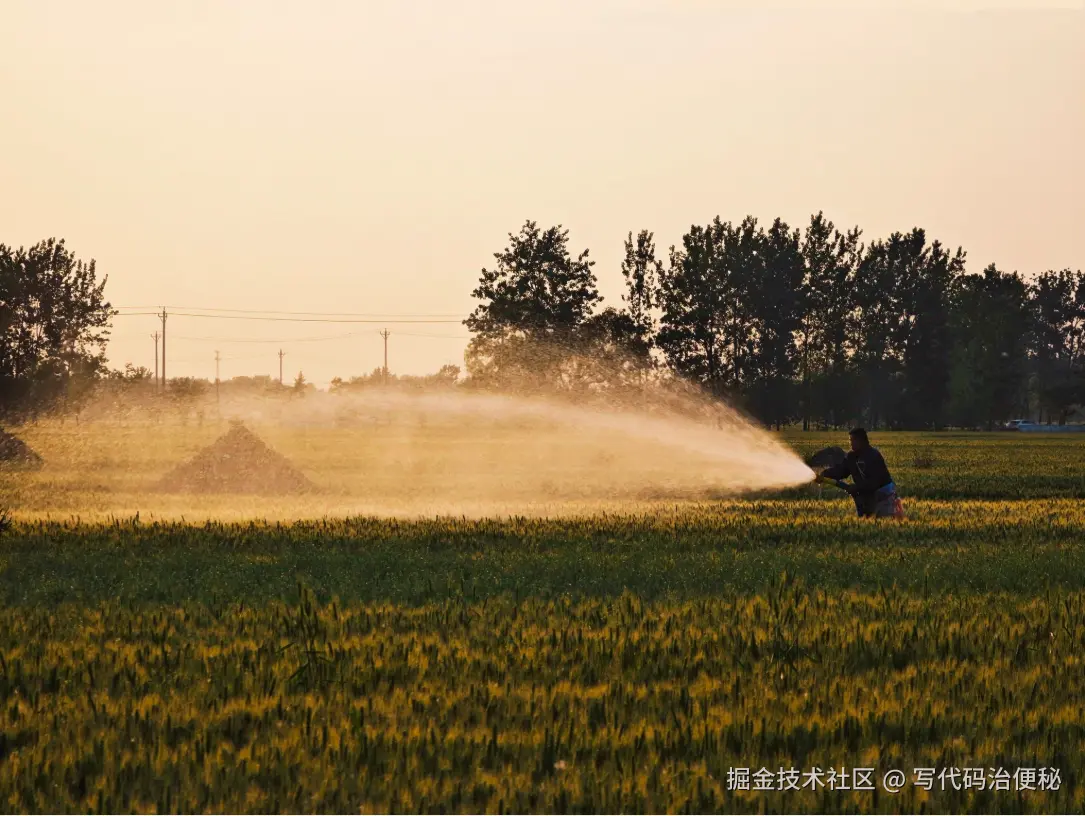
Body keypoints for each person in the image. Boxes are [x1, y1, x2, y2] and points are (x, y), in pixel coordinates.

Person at [817, 428, 899, 518]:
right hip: (866, 496)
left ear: (862, 441)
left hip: (883, 495)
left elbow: (875, 482)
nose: (851, 443)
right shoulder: (852, 457)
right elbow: (842, 470)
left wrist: (856, 487)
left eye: (854, 440)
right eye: (850, 440)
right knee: (867, 521)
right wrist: (825, 474)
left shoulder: (873, 456)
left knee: (883, 521)